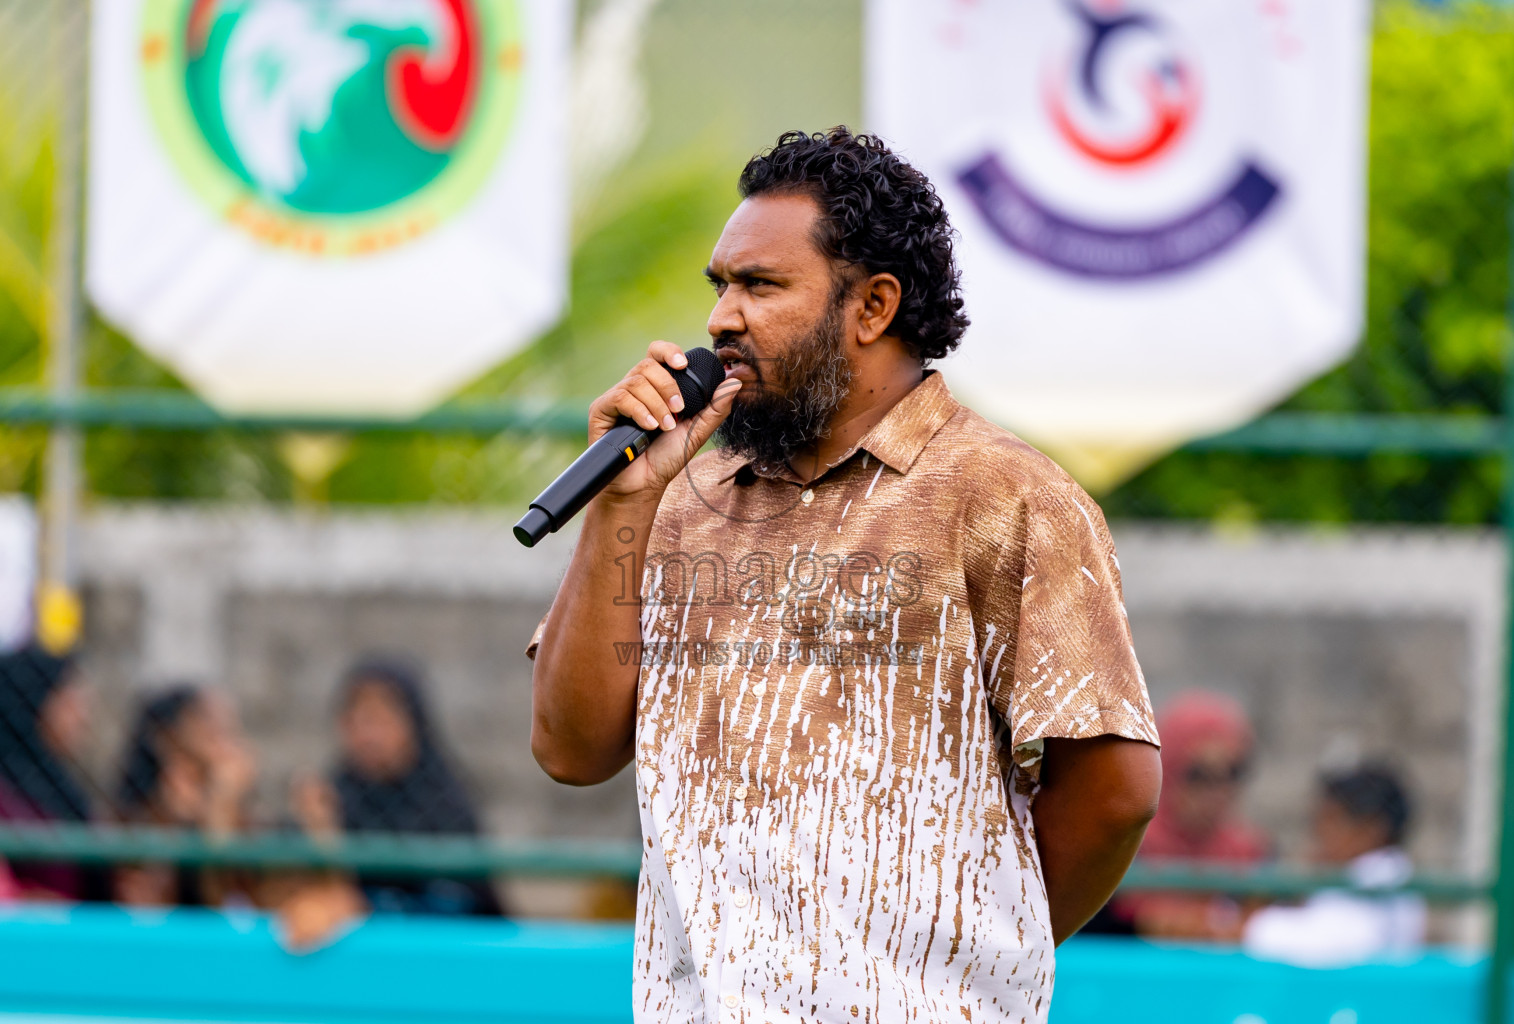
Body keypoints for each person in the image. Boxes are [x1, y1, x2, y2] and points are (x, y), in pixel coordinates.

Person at [527, 128, 1162, 1023]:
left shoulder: (1007, 496)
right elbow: (570, 749)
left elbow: (1115, 792)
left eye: (760, 285)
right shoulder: (676, 494)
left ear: (872, 307)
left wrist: (962, 950)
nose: (721, 317)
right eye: (721, 286)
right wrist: (624, 503)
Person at [294, 657, 502, 916]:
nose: (369, 736)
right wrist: (323, 836)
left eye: (381, 719)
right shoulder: (331, 800)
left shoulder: (446, 807)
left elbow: (468, 905)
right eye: (357, 720)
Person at [1099, 691, 1269, 938]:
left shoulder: (1252, 853)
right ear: (1167, 769)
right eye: (1198, 775)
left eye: (1233, 773)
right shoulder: (1123, 849)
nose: (1218, 792)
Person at [1242, 763, 1424, 966]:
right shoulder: (1355, 876)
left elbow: (1325, 946)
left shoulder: (1384, 877)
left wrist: (1240, 926)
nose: (1319, 833)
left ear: (1372, 829)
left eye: (1331, 820)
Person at [112, 685, 258, 907]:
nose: (226, 740)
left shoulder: (231, 804)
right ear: (169, 738)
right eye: (209, 724)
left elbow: (240, 895)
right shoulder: (140, 817)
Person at [0, 644, 99, 899]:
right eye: (68, 701)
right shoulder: (8, 799)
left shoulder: (64, 790)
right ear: (34, 701)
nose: (83, 717)